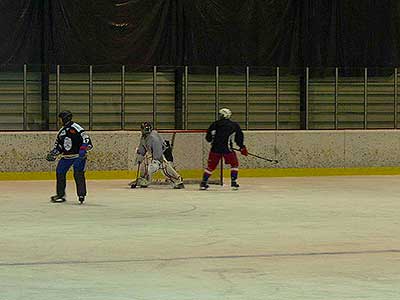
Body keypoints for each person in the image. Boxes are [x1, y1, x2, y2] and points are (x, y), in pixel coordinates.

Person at [46, 110, 93, 204]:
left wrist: (83, 150)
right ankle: (60, 195)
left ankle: (81, 194)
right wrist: (54, 153)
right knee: (60, 172)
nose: (59, 121)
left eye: (60, 119)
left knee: (78, 174)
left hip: (78, 156)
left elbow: (86, 139)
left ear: (64, 118)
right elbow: (59, 146)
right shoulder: (61, 132)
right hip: (66, 157)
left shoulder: (76, 127)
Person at [200, 108, 248, 190]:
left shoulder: (214, 124)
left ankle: (203, 183)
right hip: (227, 149)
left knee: (211, 167)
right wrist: (242, 147)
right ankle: (233, 182)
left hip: (215, 149)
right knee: (234, 164)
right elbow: (239, 137)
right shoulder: (234, 125)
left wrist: (214, 141)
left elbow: (208, 138)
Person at [131, 122, 184, 189]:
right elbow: (142, 148)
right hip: (154, 153)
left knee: (164, 167)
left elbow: (158, 152)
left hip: (163, 152)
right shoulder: (144, 137)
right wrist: (139, 157)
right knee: (145, 161)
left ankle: (178, 181)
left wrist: (156, 162)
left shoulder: (153, 137)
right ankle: (144, 179)